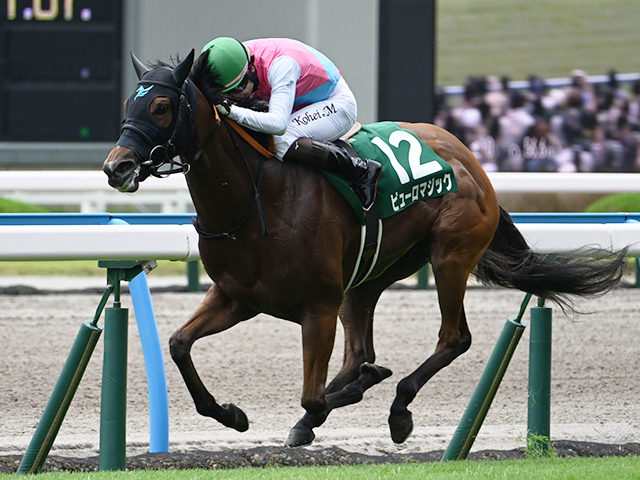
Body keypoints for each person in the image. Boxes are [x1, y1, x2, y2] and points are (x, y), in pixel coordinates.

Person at [196, 37, 381, 209]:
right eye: (228, 94)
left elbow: (278, 124)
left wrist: (232, 110)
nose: (237, 96)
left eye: (238, 89)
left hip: (337, 103)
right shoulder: (233, 58)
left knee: (281, 140)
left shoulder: (282, 65)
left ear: (251, 69)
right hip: (300, 102)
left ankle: (360, 169)